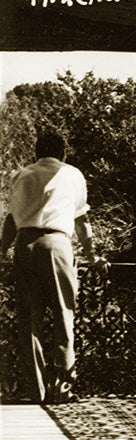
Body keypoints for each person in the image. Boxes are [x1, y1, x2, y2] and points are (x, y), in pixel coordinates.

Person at [0, 132, 108, 404]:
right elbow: (81, 221)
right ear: (63, 153)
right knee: (63, 313)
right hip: (56, 242)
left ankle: (36, 390)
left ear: (36, 152)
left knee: (29, 319)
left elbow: (11, 221)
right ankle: (62, 389)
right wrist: (92, 256)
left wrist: (2, 251)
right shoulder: (72, 174)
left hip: (24, 245)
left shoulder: (20, 175)